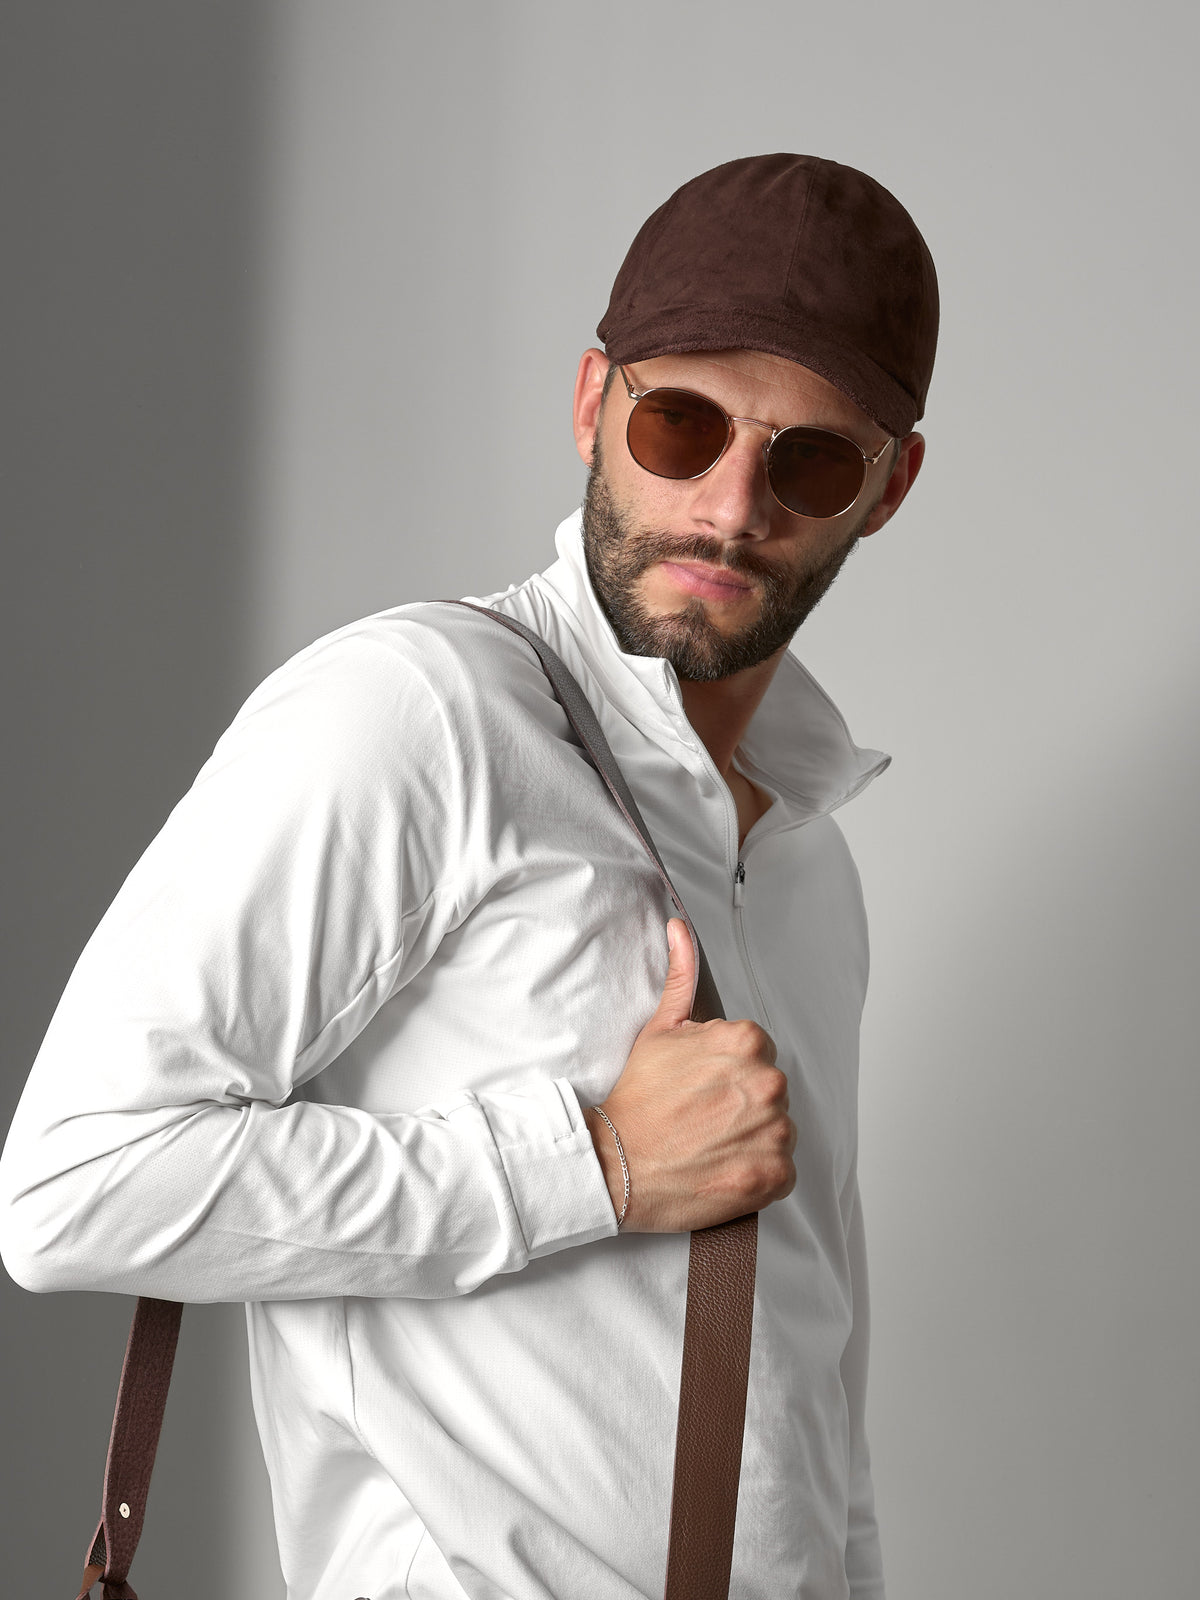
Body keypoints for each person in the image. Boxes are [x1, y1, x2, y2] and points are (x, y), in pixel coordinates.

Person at [0, 153, 937, 1600]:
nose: (731, 505)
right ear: (591, 404)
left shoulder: (810, 858)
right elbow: (73, 1184)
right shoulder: (420, 711)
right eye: (679, 423)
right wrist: (601, 1164)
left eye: (808, 457)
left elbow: (809, 1378)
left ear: (887, 490)